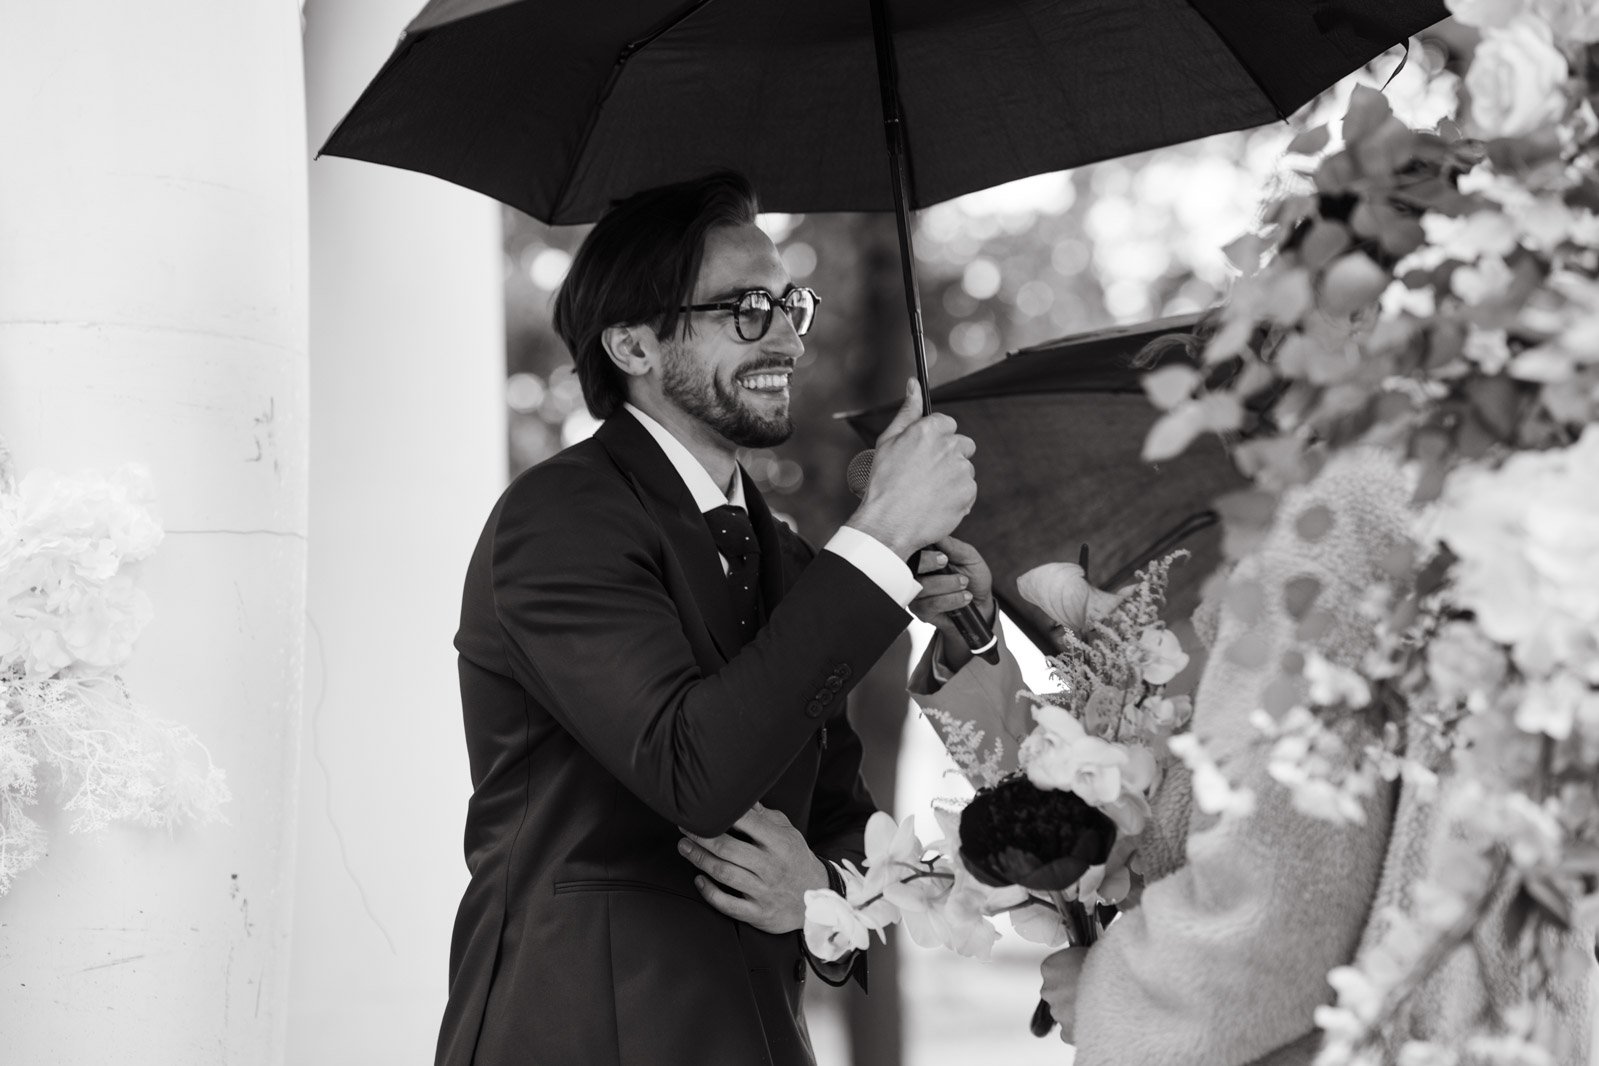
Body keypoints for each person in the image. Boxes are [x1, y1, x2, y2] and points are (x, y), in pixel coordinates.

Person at [433, 171, 979, 1066]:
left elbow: (840, 813)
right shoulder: (557, 519)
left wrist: (824, 895)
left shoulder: (790, 559)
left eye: (789, 304)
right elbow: (694, 770)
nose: (787, 339)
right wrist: (879, 537)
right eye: (745, 308)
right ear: (634, 344)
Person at [909, 449, 1595, 1065]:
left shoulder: (1337, 526)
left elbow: (1277, 905)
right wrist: (973, 639)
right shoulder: (1543, 515)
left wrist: (1111, 996)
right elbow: (1103, 787)